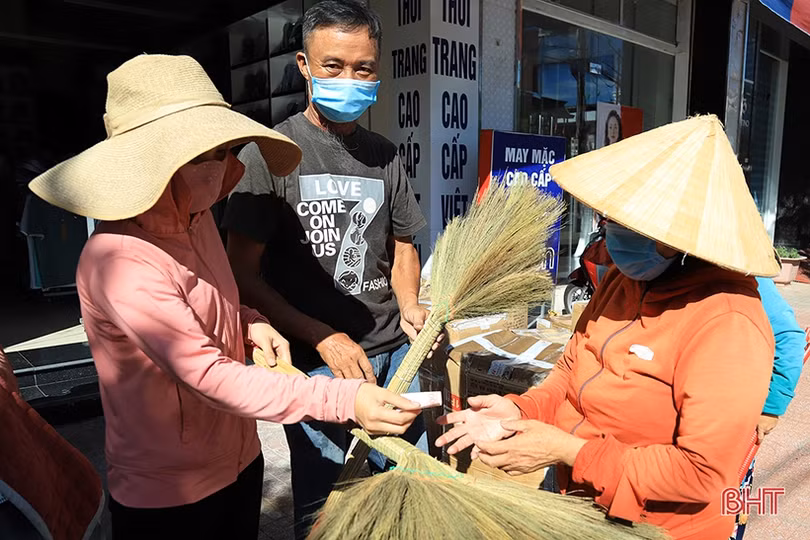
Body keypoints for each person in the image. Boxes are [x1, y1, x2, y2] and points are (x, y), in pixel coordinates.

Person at [27, 54, 420, 540]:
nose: (226, 166)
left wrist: (250, 320)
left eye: (226, 150)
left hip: (239, 460)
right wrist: (343, 398)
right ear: (158, 163)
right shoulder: (119, 261)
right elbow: (209, 376)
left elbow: (215, 300)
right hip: (171, 495)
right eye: (210, 155)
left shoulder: (197, 221)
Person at [437, 115, 781, 540]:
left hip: (655, 526)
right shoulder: (623, 279)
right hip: (577, 499)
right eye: (608, 217)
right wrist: (521, 411)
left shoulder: (728, 323)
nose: (608, 230)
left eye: (621, 221)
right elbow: (569, 370)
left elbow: (701, 474)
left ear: (672, 238)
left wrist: (566, 449)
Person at [223, 2, 428, 536]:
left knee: (406, 495)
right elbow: (242, 271)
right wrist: (322, 334)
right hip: (318, 368)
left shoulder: (385, 154)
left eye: (363, 69)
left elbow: (404, 245)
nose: (349, 79)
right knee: (329, 509)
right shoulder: (267, 155)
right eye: (333, 65)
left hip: (395, 354)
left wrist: (410, 303)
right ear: (304, 65)